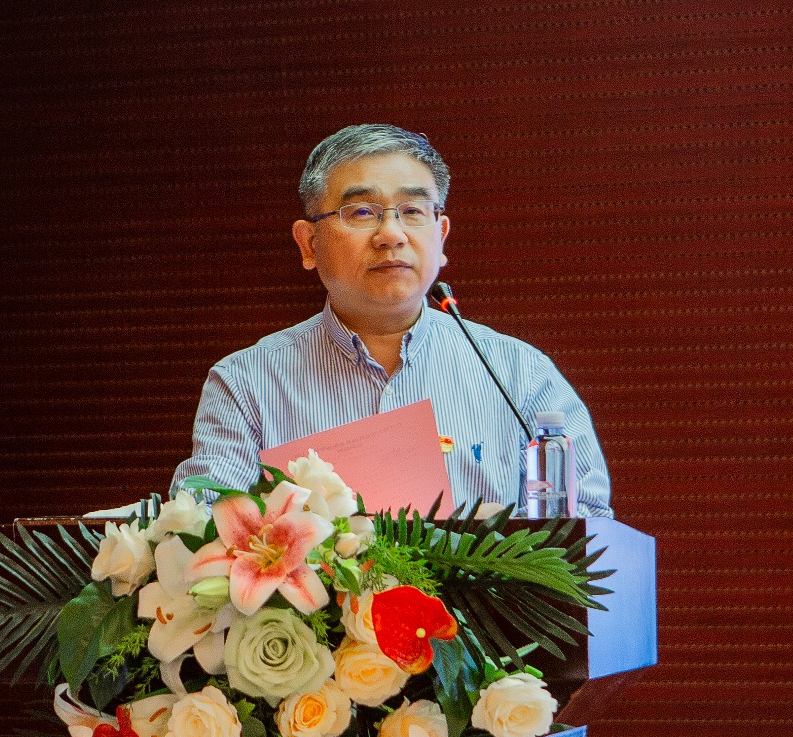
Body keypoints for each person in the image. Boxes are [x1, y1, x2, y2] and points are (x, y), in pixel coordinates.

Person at [171, 124, 612, 516]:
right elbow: (203, 528)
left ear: (440, 237)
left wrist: (495, 543)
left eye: (413, 211)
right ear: (308, 244)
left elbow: (587, 526)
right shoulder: (246, 383)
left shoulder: (519, 373)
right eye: (362, 212)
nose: (391, 234)